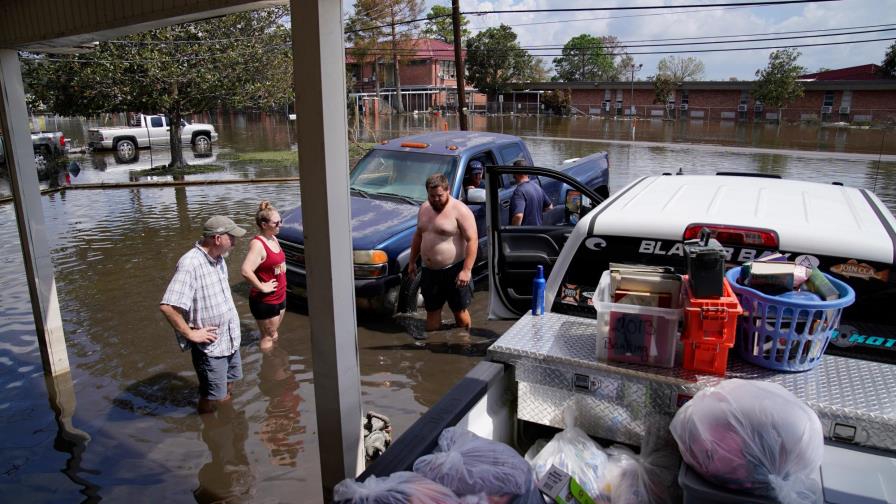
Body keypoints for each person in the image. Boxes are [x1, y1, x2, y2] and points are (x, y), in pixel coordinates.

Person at [160, 215, 247, 414]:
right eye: (231, 237)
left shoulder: (219, 260)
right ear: (217, 238)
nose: (234, 242)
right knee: (212, 395)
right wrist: (190, 334)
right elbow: (168, 306)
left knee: (229, 385)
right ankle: (213, 429)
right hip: (211, 348)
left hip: (230, 340)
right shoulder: (190, 264)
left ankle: (227, 424)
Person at [408, 173, 478, 332]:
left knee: (460, 313)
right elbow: (418, 235)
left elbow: (472, 240)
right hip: (429, 272)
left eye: (439, 195)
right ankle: (431, 348)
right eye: (431, 196)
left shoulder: (460, 210)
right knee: (431, 314)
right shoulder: (424, 208)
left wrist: (466, 271)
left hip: (454, 271)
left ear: (448, 190)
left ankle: (464, 345)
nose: (435, 199)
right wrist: (412, 262)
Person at [240, 201, 287, 352]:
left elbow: (276, 263)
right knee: (267, 337)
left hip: (280, 294)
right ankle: (269, 368)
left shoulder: (273, 238)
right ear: (264, 224)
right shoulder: (258, 244)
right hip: (265, 300)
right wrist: (262, 286)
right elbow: (246, 270)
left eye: (281, 221)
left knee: (273, 334)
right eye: (276, 222)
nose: (280, 225)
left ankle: (277, 360)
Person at [510, 160, 552, 226]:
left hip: (526, 234)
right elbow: (550, 207)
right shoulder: (537, 187)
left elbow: (518, 216)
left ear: (515, 174)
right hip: (538, 232)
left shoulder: (519, 191)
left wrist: (513, 232)